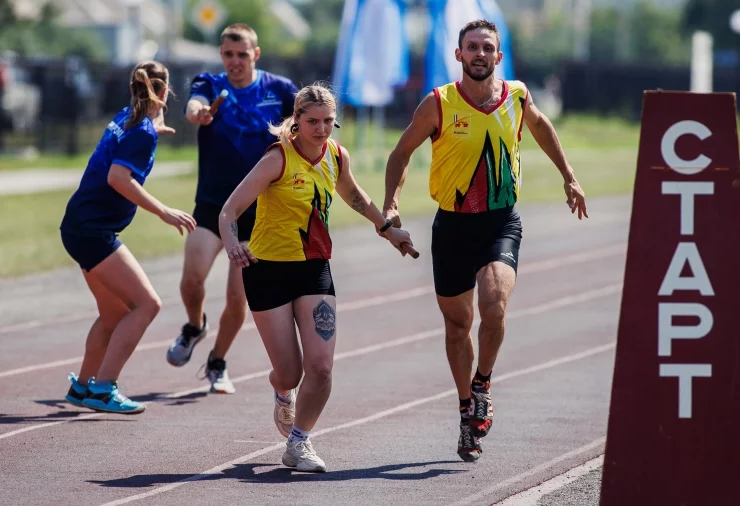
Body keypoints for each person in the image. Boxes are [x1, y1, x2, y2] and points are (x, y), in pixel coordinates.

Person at [381, 19, 589, 462]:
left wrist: (569, 178)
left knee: (494, 308)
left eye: (487, 47)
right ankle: (465, 410)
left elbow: (542, 127)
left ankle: (483, 384)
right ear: (459, 55)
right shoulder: (438, 103)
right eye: (471, 47)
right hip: (452, 227)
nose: (479, 54)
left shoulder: (516, 95)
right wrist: (391, 205)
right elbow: (401, 152)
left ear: (498, 55)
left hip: (500, 222)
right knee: (457, 325)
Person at [218, 83, 416, 472]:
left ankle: (299, 442)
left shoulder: (336, 156)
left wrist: (388, 230)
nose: (321, 129)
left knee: (322, 367)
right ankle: (280, 388)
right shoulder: (277, 158)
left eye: (328, 121)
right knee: (290, 371)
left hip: (314, 268)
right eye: (312, 122)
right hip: (267, 271)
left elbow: (356, 196)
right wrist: (233, 244)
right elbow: (229, 210)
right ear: (296, 120)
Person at [166, 23, 299, 394]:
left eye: (243, 54)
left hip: (259, 212)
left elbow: (304, 122)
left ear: (255, 54)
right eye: (229, 54)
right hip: (212, 204)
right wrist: (198, 114)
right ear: (221, 55)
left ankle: (217, 361)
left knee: (237, 299)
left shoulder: (279, 89)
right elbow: (194, 106)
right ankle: (194, 327)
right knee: (192, 276)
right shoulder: (210, 84)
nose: (235, 61)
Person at [60, 61, 196, 414]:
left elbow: (134, 139)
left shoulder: (127, 117)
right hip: (93, 231)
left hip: (77, 224)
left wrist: (157, 124)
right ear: (164, 92)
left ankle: (83, 387)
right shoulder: (142, 132)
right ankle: (104, 388)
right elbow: (119, 178)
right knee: (147, 305)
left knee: (114, 313)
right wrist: (164, 211)